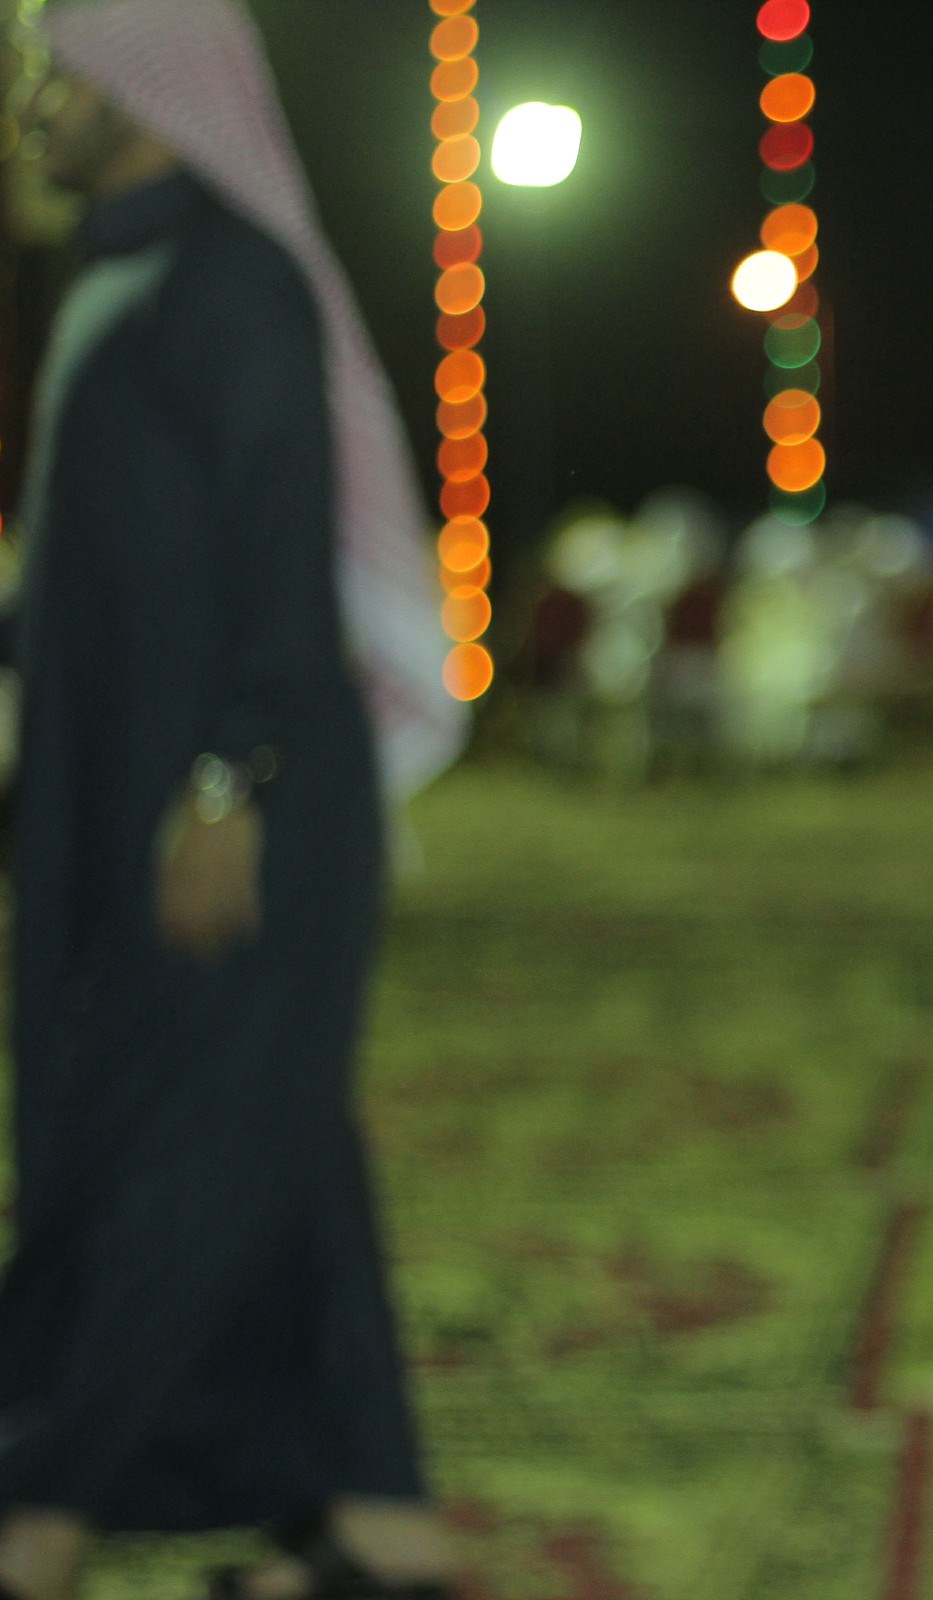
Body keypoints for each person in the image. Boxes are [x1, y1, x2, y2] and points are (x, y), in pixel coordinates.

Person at [0, 2, 462, 1596]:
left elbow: (279, 562)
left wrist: (227, 784)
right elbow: (103, 581)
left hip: (240, 813)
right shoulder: (120, 280)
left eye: (59, 77)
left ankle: (41, 1506)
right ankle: (381, 1521)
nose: (33, 108)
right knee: (274, 1143)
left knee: (169, 1152)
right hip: (149, 794)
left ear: (147, 89)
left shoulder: (234, 284)